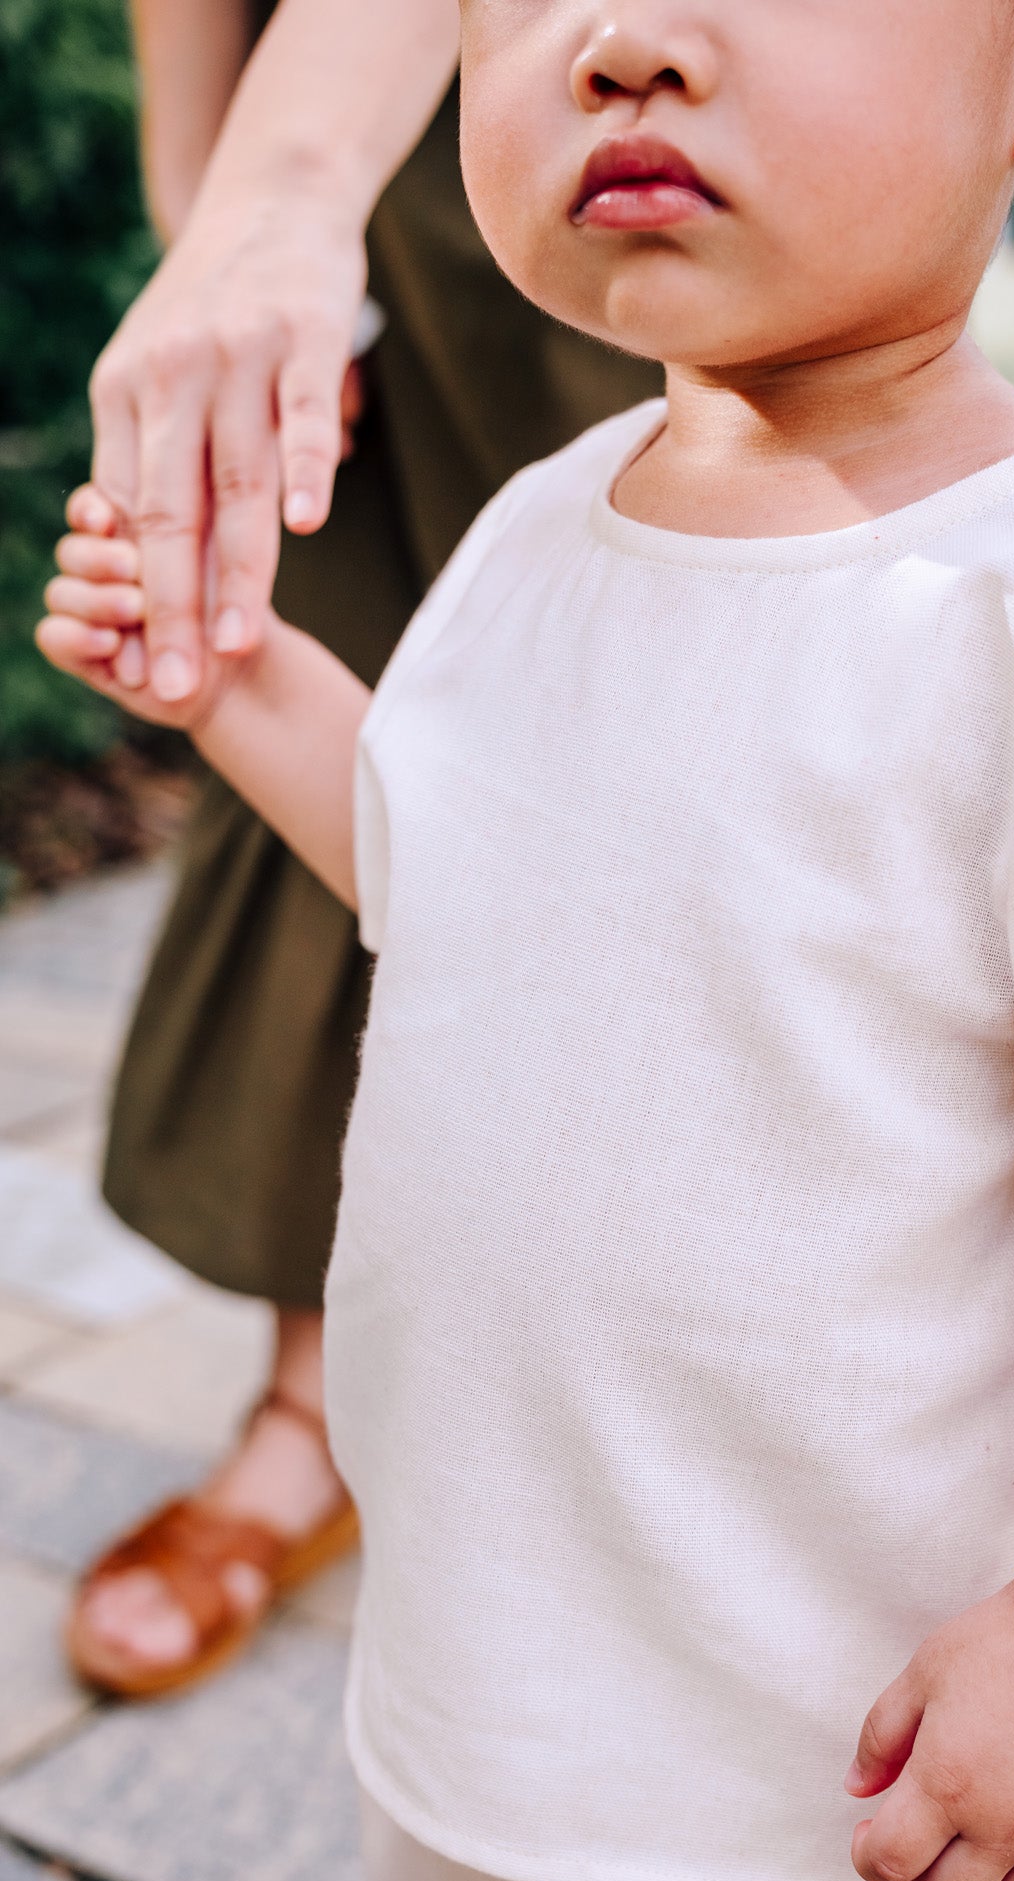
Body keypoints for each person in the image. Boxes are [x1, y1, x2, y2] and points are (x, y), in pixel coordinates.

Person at [40, 0, 1014, 1881]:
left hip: (835, 1778)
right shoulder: (540, 528)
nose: (625, 42)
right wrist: (231, 680)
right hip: (473, 1693)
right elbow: (448, 875)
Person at [67, 0, 659, 1694]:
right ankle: (314, 1408)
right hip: (360, 148)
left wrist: (279, 183)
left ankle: (683, 1435)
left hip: (663, 89)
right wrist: (225, 199)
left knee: (675, 686)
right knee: (342, 683)